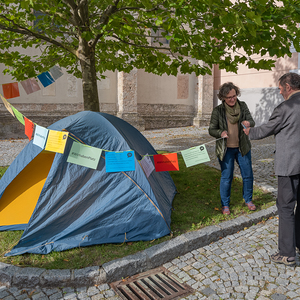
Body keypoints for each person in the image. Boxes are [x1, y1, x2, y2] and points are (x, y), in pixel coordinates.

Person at [244, 72, 300, 266]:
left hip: (289, 166)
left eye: (280, 88)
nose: (279, 92)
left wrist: (248, 131)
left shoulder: (285, 107)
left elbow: (266, 129)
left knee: (285, 208)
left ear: (288, 87)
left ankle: (287, 254)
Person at [209, 82, 256, 215]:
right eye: (229, 97)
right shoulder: (218, 111)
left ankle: (248, 200)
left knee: (248, 175)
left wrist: (248, 123)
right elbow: (211, 129)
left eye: (234, 96)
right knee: (227, 177)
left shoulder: (243, 106)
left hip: (243, 148)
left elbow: (251, 121)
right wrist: (221, 133)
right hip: (226, 149)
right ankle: (225, 205)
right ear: (223, 97)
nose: (232, 99)